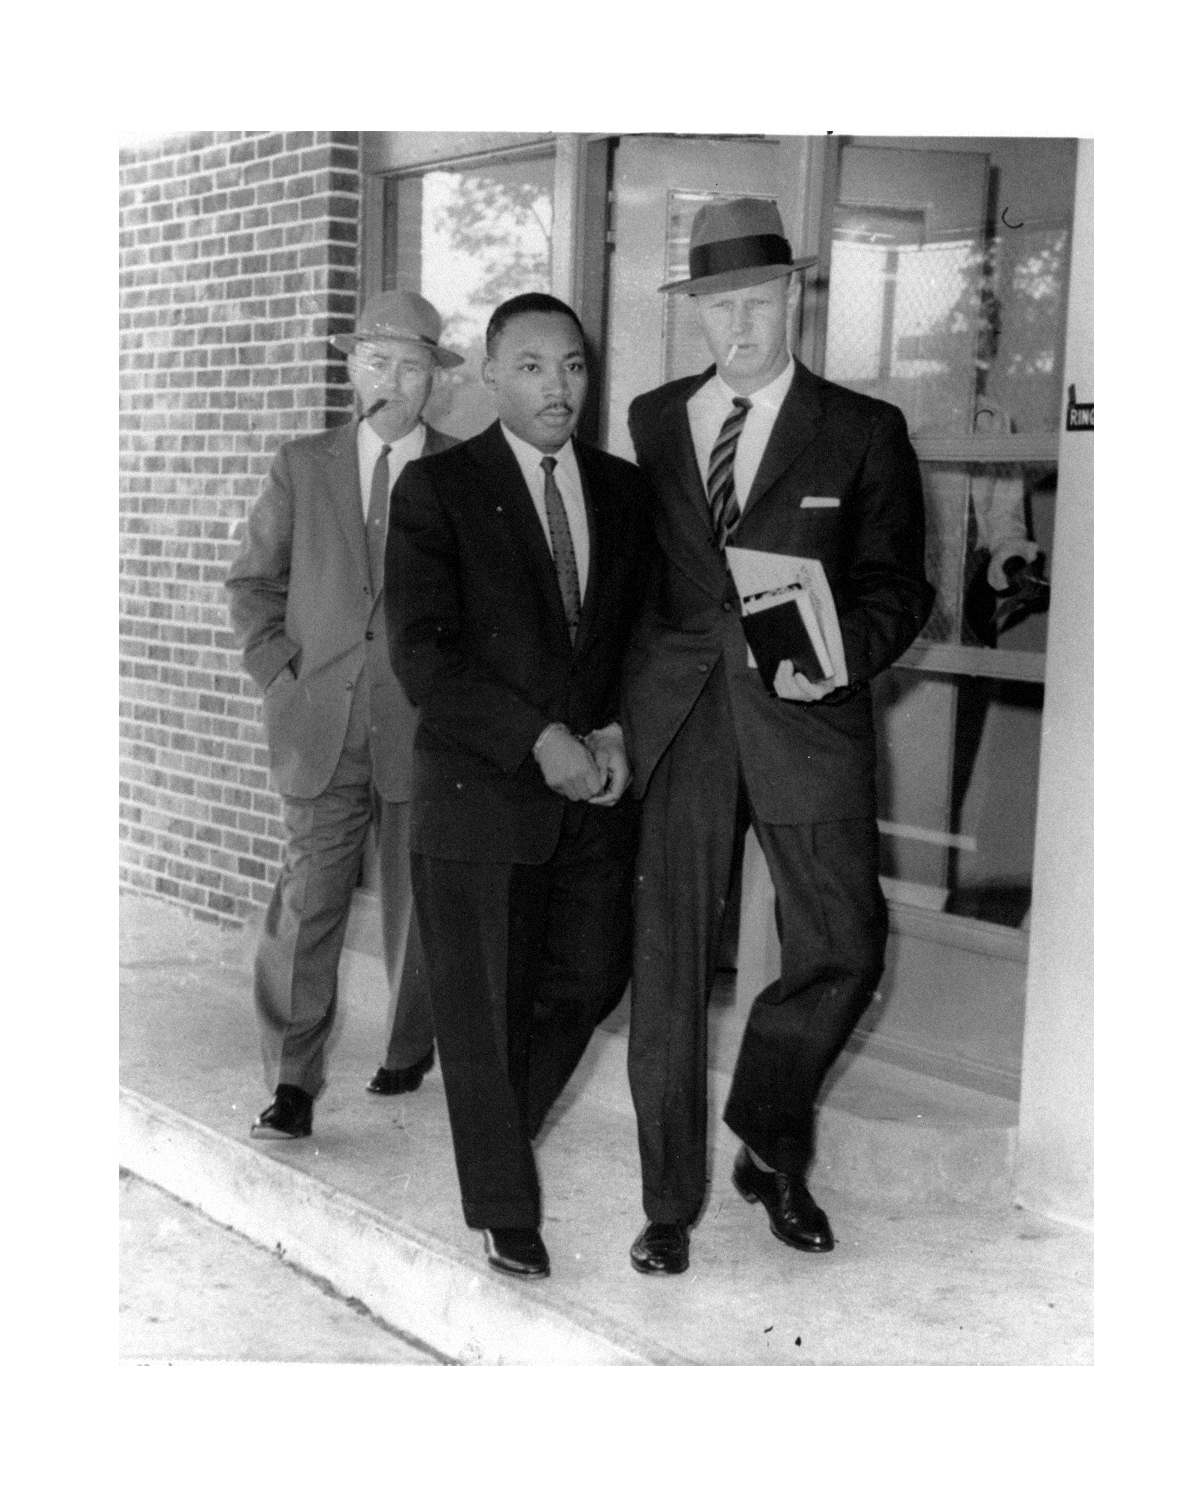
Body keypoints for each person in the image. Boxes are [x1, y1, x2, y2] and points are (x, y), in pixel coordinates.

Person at [622, 199, 934, 1274]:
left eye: (755, 301)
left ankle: (766, 1135)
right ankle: (668, 1201)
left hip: (810, 718)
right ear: (696, 314)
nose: (738, 328)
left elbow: (902, 587)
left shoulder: (861, 430)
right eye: (716, 307)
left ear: (793, 295)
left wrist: (837, 647)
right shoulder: (654, 421)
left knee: (845, 944)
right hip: (682, 725)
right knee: (667, 968)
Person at [386, 292, 651, 1279]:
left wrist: (619, 728)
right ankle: (506, 1206)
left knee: (592, 971)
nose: (558, 387)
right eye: (533, 366)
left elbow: (637, 637)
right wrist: (539, 739)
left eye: (573, 365)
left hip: (593, 799)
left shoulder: (623, 492)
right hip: (482, 795)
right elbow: (425, 654)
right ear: (491, 376)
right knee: (484, 1013)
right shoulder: (438, 489)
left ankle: (493, 1135)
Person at [226, 291, 461, 1141]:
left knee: (422, 901)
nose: (390, 380)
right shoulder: (303, 464)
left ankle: (406, 1049)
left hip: (425, 730)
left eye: (410, 364)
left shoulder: (463, 474)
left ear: (434, 378)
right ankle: (291, 1081)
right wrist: (279, 676)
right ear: (349, 365)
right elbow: (252, 584)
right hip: (318, 722)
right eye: (375, 360)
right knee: (310, 901)